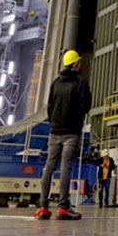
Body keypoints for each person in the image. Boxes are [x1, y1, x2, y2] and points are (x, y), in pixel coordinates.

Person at [34, 49, 91, 220]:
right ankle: (63, 208)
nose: (80, 64)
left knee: (49, 166)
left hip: (55, 131)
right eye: (79, 62)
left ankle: (43, 207)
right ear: (75, 65)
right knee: (66, 166)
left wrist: (55, 122)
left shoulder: (55, 83)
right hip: (71, 132)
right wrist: (76, 119)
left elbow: (50, 107)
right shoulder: (81, 83)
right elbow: (86, 105)